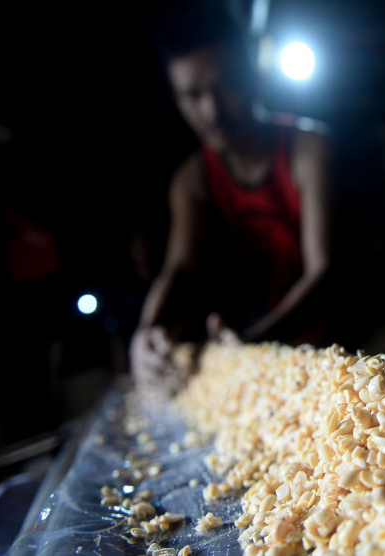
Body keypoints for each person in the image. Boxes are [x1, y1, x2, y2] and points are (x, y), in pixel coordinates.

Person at [130, 2, 331, 397]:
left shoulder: (307, 148)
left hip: (367, 332)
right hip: (289, 347)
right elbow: (181, 269)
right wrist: (146, 332)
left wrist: (252, 342)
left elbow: (325, 272)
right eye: (192, 95)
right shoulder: (194, 180)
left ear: (252, 74)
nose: (212, 111)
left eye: (225, 87)